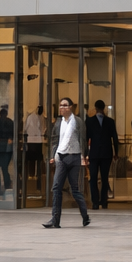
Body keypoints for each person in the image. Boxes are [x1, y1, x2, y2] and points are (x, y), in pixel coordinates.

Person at [42, 97, 89, 228]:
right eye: (61, 105)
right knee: (56, 187)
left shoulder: (77, 121)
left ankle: (85, 215)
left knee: (74, 190)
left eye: (65, 105)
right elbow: (54, 140)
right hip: (61, 157)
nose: (62, 108)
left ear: (71, 107)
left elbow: (83, 139)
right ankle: (55, 219)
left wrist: (84, 156)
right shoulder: (58, 123)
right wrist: (53, 155)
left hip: (74, 157)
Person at [86, 99, 119, 209]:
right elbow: (115, 138)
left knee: (93, 178)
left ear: (95, 108)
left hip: (94, 153)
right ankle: (103, 201)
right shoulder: (110, 121)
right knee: (104, 178)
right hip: (106, 153)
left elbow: (86, 138)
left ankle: (95, 202)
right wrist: (116, 152)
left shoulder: (89, 121)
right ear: (104, 108)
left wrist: (85, 153)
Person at [0, 105, 15, 197]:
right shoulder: (9, 122)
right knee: (4, 168)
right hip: (6, 147)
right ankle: (6, 186)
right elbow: (13, 133)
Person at [23, 105, 46, 188]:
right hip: (35, 140)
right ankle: (34, 175)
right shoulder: (35, 117)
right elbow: (42, 129)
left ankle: (33, 174)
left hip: (34, 140)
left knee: (33, 159)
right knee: (34, 159)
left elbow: (25, 128)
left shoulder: (37, 117)